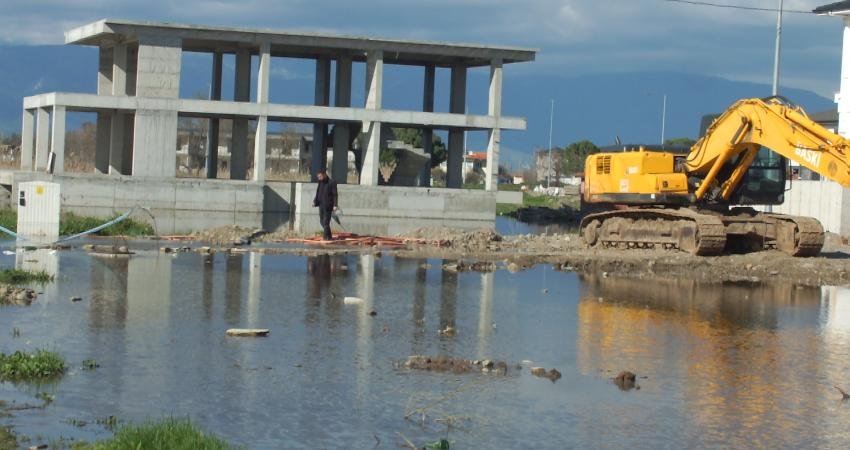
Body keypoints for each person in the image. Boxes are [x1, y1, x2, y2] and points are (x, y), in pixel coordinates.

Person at [313, 169, 338, 241]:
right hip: (321, 204)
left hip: (328, 205)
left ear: (324, 174)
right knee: (322, 221)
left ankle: (325, 238)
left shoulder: (332, 182)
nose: (319, 178)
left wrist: (335, 205)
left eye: (320, 176)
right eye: (318, 177)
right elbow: (318, 193)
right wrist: (315, 201)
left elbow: (335, 195)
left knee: (326, 222)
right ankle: (329, 237)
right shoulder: (320, 182)